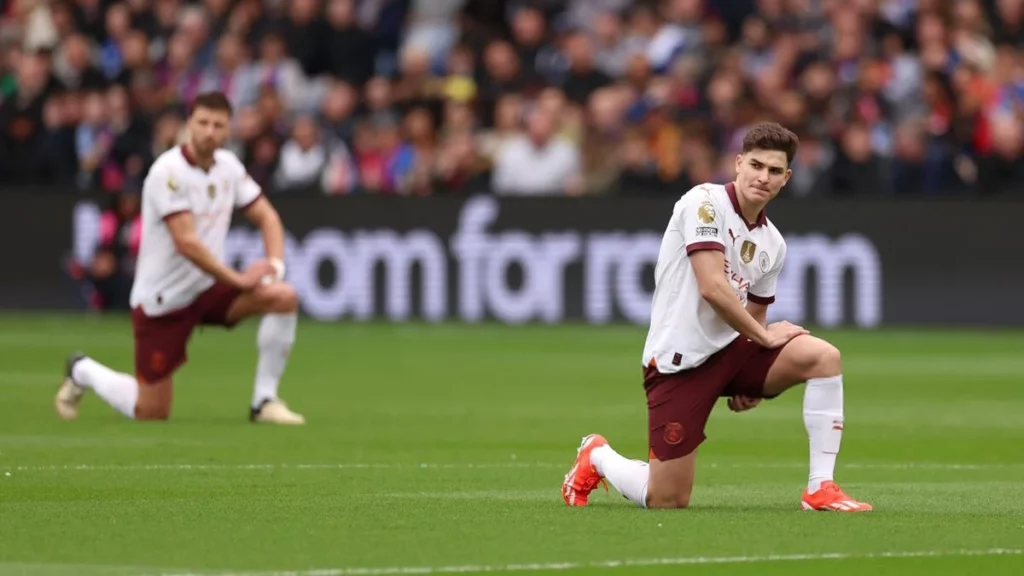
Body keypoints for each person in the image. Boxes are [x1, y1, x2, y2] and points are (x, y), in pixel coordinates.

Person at [561, 122, 872, 512]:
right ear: (738, 163)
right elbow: (712, 286)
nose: (763, 177)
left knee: (824, 357)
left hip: (731, 352)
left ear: (786, 178)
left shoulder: (773, 243)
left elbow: (756, 310)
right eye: (756, 165)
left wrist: (750, 369)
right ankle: (597, 455)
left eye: (775, 171)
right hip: (680, 360)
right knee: (668, 499)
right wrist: (764, 337)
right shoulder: (704, 202)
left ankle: (820, 488)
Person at [55, 91, 305, 425]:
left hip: (206, 288)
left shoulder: (228, 166)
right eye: (202, 122)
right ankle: (82, 369)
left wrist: (275, 266)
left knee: (283, 296)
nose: (209, 132)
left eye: (218, 125)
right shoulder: (167, 173)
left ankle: (264, 402)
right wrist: (240, 279)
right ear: (189, 124)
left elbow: (268, 217)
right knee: (152, 411)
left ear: (228, 130)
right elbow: (187, 244)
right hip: (164, 300)